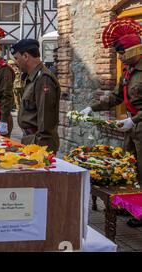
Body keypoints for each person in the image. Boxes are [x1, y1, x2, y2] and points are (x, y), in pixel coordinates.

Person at [79, 18, 142, 227]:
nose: (120, 58)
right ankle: (131, 206)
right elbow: (116, 97)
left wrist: (134, 120)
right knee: (129, 167)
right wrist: (92, 107)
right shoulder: (127, 72)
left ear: (133, 51)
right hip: (132, 130)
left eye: (122, 54)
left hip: (138, 124)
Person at [11, 39, 60, 152]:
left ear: (26, 56)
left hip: (40, 143)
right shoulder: (32, 77)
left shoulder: (43, 79)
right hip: (31, 139)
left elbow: (46, 121)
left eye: (16, 58)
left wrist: (38, 147)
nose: (16, 63)